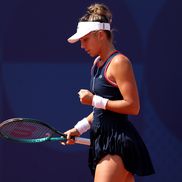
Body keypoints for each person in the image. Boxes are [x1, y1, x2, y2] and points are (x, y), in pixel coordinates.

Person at [64, 3, 155, 182]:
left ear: (100, 35)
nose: (82, 46)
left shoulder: (120, 62)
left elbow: (133, 106)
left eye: (85, 39)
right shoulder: (97, 64)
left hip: (117, 145)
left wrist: (94, 100)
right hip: (102, 141)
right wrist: (79, 128)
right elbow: (101, 110)